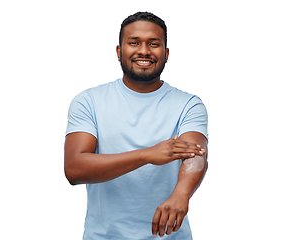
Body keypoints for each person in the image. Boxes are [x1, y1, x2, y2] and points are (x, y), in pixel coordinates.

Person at [64, 11, 208, 239]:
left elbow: (196, 154)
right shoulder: (89, 101)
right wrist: (147, 155)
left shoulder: (188, 104)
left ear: (166, 53)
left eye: (154, 44)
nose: (144, 51)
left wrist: (182, 193)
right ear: (119, 52)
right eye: (134, 43)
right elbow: (74, 168)